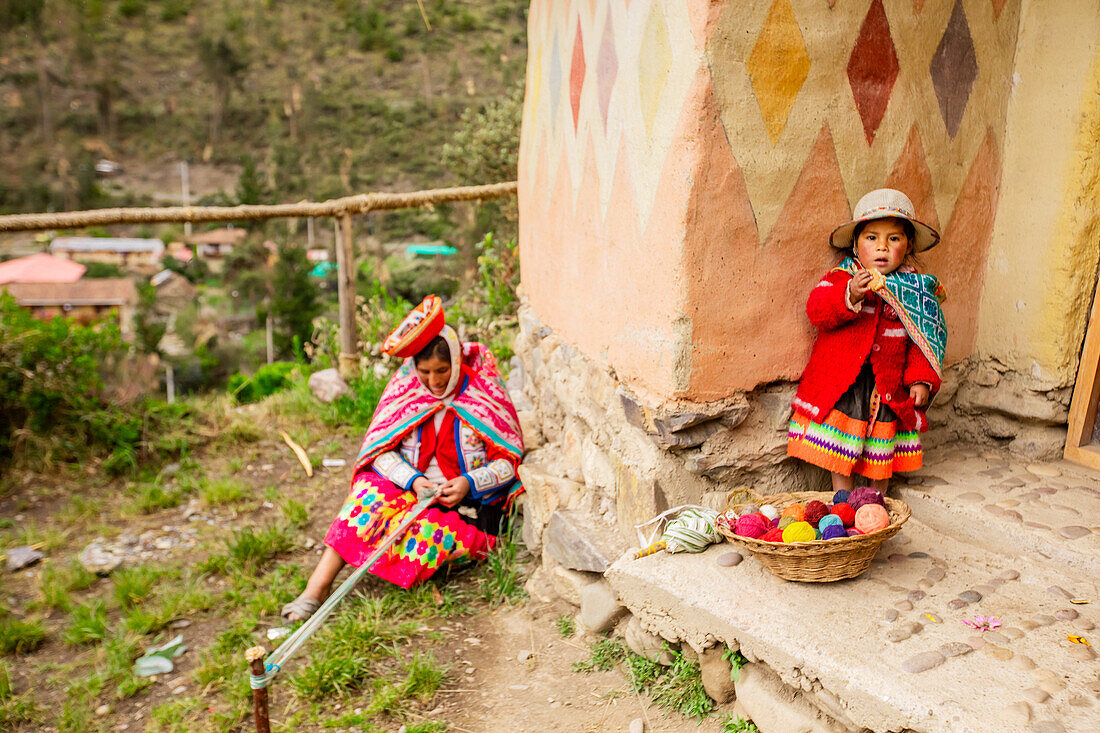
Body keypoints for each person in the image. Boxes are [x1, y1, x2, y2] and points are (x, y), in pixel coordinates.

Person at [282, 296, 524, 621]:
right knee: (364, 503)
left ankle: (410, 554)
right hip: (408, 491)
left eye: (442, 370)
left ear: (456, 361)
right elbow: (379, 454)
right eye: (425, 371)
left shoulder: (484, 393)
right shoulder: (405, 391)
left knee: (435, 539)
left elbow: (510, 462)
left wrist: (468, 482)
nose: (435, 381)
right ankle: (315, 590)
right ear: (413, 367)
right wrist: (413, 480)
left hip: (469, 507)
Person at [787, 188, 947, 494]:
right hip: (848, 384)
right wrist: (851, 294)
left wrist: (920, 380)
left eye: (894, 239)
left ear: (908, 245)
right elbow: (817, 309)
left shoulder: (916, 292)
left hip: (888, 387)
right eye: (871, 238)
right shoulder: (842, 276)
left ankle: (876, 499)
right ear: (855, 244)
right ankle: (842, 499)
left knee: (881, 451)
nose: (882, 247)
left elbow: (924, 339)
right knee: (840, 448)